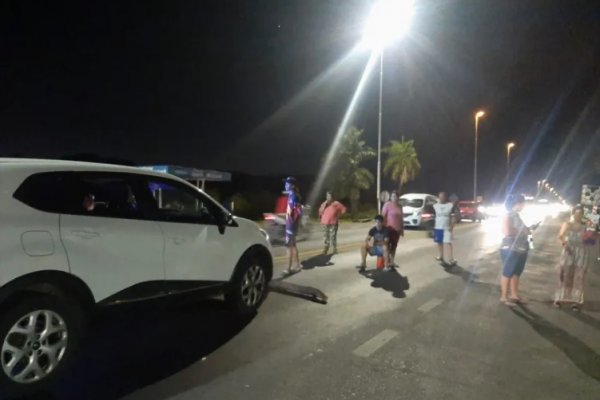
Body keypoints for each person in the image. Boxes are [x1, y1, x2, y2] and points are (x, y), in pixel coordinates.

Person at [554, 205, 597, 311]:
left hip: (582, 253)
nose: (578, 216)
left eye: (580, 214)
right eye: (576, 213)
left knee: (579, 276)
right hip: (569, 251)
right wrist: (564, 244)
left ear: (582, 215)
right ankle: (560, 298)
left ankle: (575, 301)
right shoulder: (567, 224)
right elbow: (560, 236)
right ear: (572, 214)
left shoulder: (586, 226)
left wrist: (592, 235)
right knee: (565, 275)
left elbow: (590, 242)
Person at [499, 194, 531, 307]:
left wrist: (527, 230)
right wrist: (522, 232)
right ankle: (504, 296)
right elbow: (507, 231)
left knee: (516, 272)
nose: (523, 205)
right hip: (510, 248)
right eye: (522, 203)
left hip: (521, 247)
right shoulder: (508, 215)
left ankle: (514, 295)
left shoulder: (518, 215)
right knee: (508, 272)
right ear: (516, 204)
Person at [283, 177, 302, 274]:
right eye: (285, 183)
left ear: (292, 185)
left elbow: (298, 211)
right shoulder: (291, 195)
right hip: (290, 225)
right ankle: (297, 265)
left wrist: (292, 224)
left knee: (288, 247)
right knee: (293, 246)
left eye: (287, 183)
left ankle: (288, 268)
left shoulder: (293, 196)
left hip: (290, 226)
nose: (285, 185)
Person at [433, 191, 457, 265]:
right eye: (440, 197)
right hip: (438, 227)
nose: (441, 198)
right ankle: (441, 256)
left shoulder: (450, 205)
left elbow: (453, 217)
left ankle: (451, 258)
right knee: (439, 242)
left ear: (445, 198)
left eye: (443, 197)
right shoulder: (435, 206)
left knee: (448, 243)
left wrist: (451, 227)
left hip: (446, 228)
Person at [381, 191, 404, 268]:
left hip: (397, 230)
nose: (395, 198)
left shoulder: (400, 206)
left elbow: (401, 218)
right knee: (386, 246)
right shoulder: (387, 205)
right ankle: (386, 264)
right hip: (388, 229)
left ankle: (392, 262)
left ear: (398, 198)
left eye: (396, 196)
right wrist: (382, 228)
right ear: (390, 197)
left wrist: (402, 229)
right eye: (393, 196)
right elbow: (383, 216)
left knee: (394, 246)